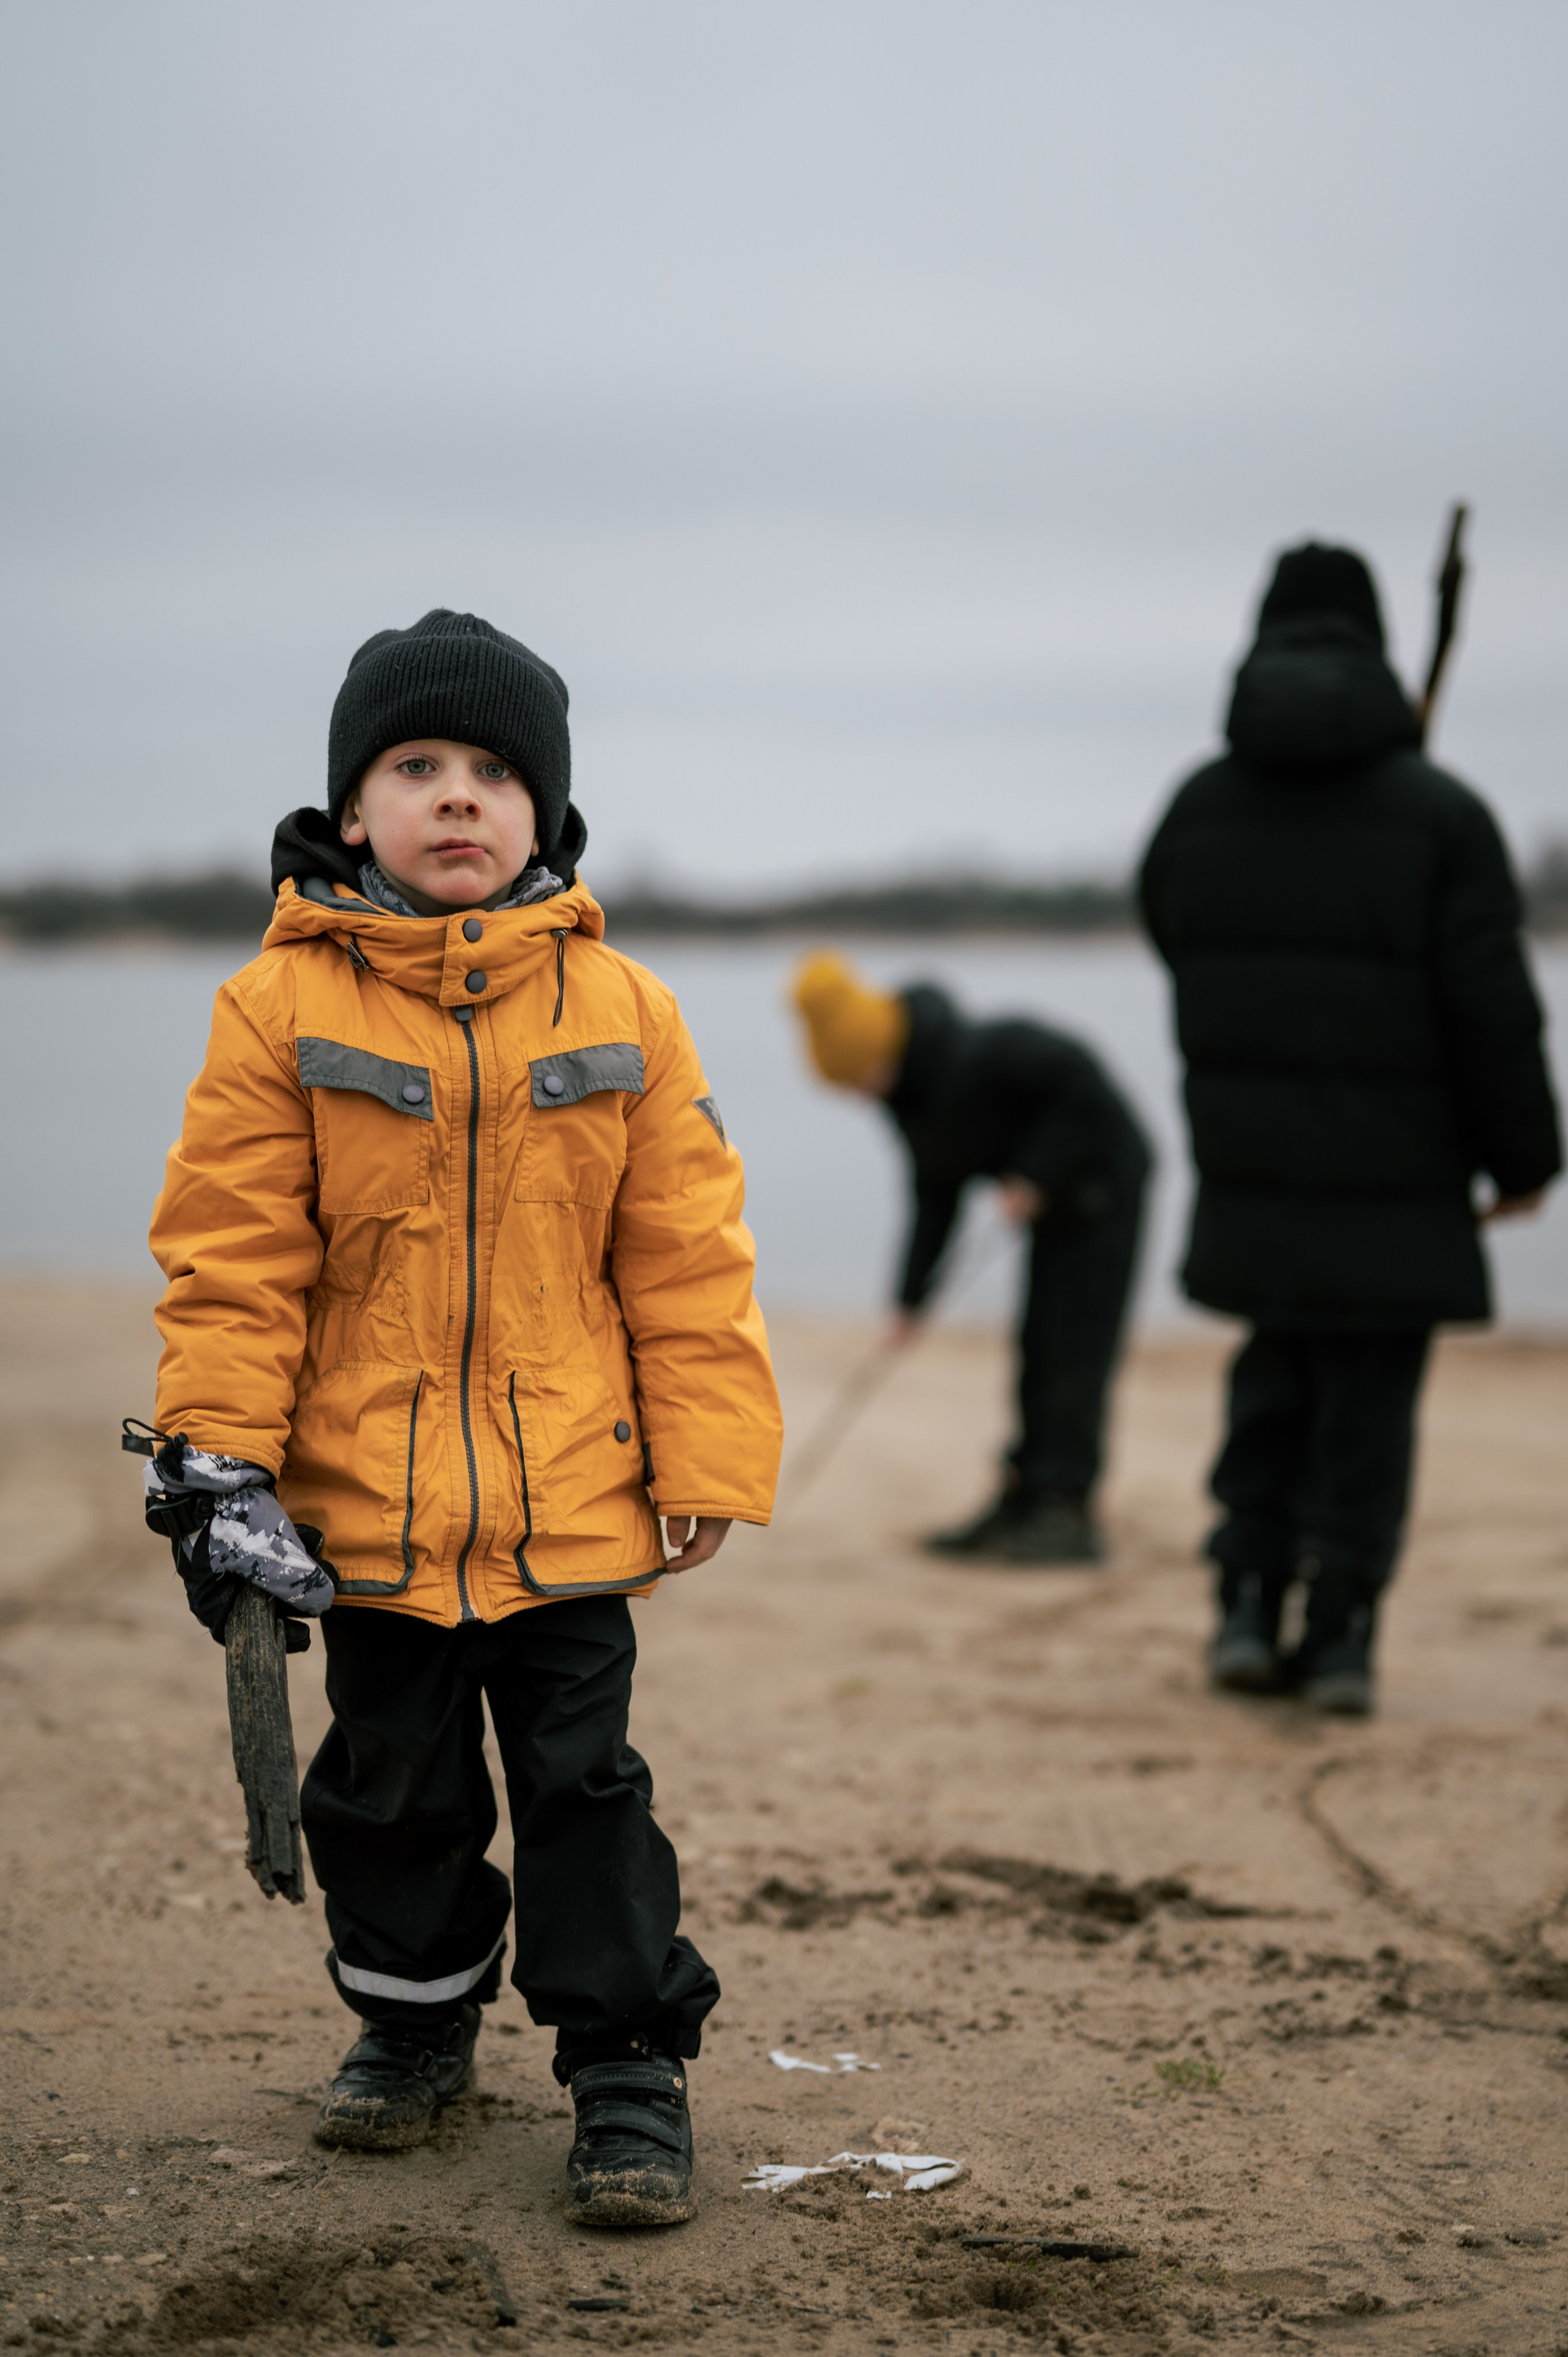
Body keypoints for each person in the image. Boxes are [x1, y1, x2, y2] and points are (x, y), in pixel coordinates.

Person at [141, 608, 782, 2227]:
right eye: (415, 767)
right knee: (391, 1794)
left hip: (572, 1506)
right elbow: (233, 1262)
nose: (456, 799)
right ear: (353, 810)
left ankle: (626, 2063)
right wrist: (222, 1466)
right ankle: (414, 2030)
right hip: (370, 1512)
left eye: (494, 772)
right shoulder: (274, 1012)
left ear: (546, 815)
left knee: (587, 1790)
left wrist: (706, 1455)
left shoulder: (625, 1007)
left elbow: (689, 1258)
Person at [1141, 542, 1561, 1716]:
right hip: (1400, 1176)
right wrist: (1527, 1158)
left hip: (1256, 1166)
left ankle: (1242, 1603)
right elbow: (1493, 1007)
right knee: (1368, 1413)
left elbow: (1176, 933)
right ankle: (1340, 1636)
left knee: (1270, 1384)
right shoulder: (1442, 813)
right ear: (1378, 644)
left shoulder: (1201, 804)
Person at [791, 951, 1151, 1563]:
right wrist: (909, 1302)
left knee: (1073, 1349)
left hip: (1105, 1187)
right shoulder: (910, 1101)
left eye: (857, 1079)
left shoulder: (983, 1053)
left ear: (878, 1052)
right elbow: (933, 1200)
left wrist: (1034, 1172)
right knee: (1037, 1345)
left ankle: (1066, 1510)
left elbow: (1085, 1087)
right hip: (1056, 1209)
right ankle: (1026, 1492)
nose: (858, 1096)